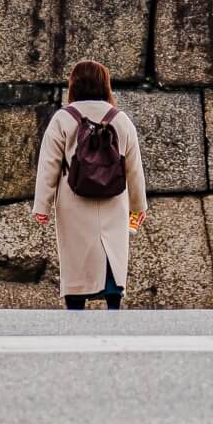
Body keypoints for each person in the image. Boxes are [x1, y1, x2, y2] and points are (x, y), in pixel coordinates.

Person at [33, 58, 147, 311]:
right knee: (111, 252)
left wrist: (42, 205)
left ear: (74, 85)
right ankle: (112, 300)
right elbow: (134, 168)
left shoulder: (64, 118)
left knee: (77, 257)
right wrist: (138, 207)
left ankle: (76, 303)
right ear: (105, 85)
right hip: (114, 198)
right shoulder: (121, 119)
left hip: (73, 198)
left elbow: (49, 164)